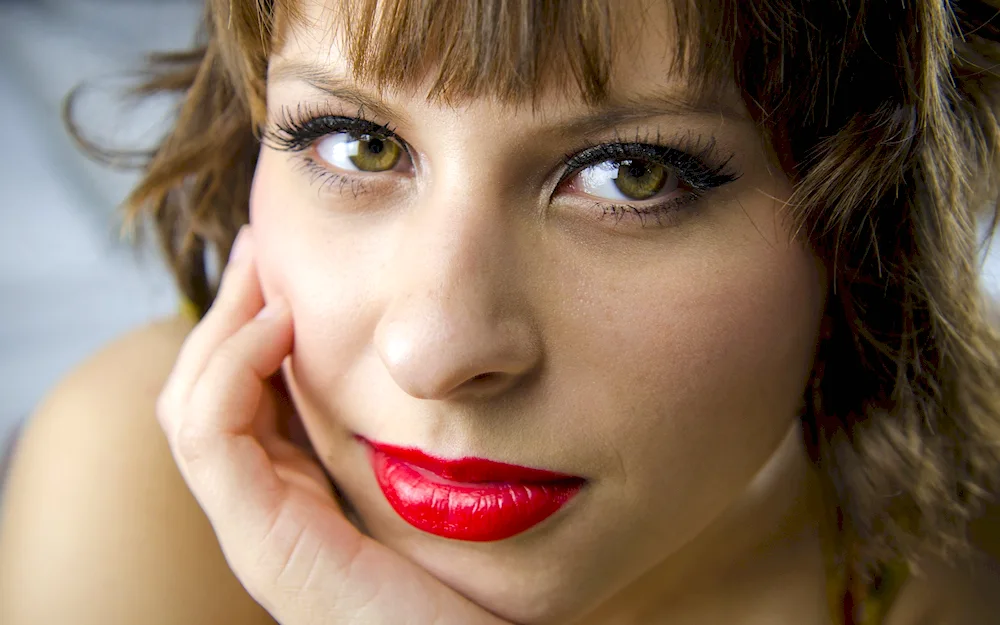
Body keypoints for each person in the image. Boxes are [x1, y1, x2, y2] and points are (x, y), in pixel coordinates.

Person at [3, 0, 1000, 623]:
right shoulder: (132, 482)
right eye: (358, 144)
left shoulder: (962, 528)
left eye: (631, 174)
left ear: (876, 222)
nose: (433, 351)